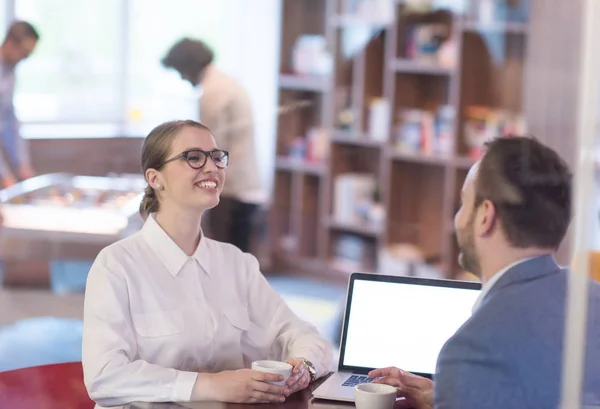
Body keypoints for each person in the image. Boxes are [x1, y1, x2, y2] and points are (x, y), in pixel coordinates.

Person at [82, 120, 333, 407]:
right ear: (155, 178)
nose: (212, 167)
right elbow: (104, 376)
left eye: (216, 156)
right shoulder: (116, 266)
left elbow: (302, 335)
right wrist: (211, 385)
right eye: (194, 157)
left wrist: (302, 366)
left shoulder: (236, 263)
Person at [368, 136, 600, 409]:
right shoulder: (593, 298)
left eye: (464, 203)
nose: (458, 218)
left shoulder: (472, 351)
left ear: (485, 216)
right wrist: (447, 396)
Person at [161, 38, 263, 254]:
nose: (182, 77)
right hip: (243, 184)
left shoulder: (214, 93)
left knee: (225, 258)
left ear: (188, 66)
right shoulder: (226, 84)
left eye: (181, 71)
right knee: (238, 257)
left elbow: (208, 148)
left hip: (230, 189)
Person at [0, 21, 38, 188]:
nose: (24, 59)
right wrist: (3, 174)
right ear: (9, 42)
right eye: (23, 53)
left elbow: (9, 120)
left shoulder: (10, 71)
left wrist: (22, 163)